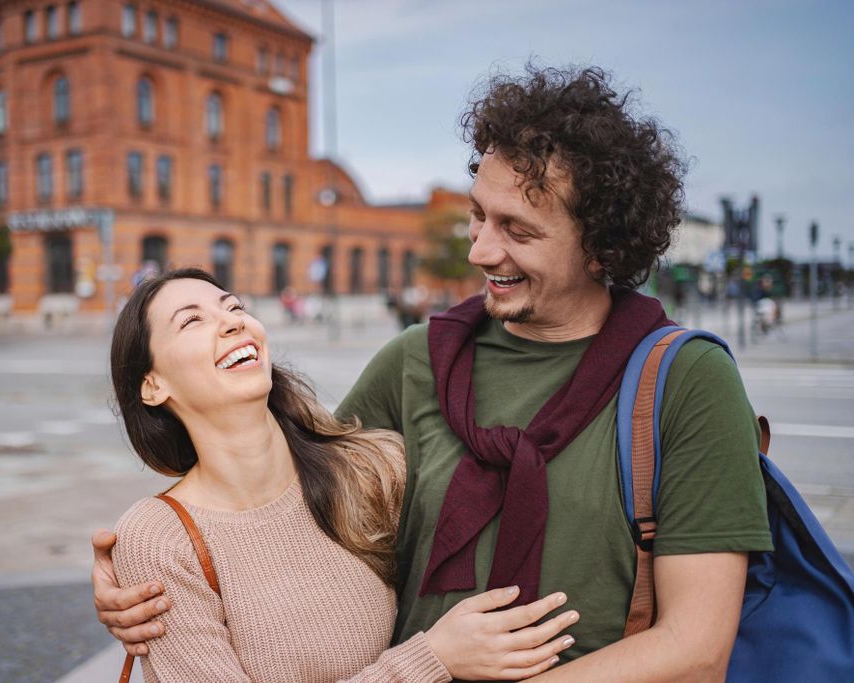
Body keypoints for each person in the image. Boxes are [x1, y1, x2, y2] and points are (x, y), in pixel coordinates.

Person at [94, 66, 773, 681]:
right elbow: (285, 511)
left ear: (602, 243)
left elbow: (695, 649)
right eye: (479, 214)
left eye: (518, 229)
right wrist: (150, 578)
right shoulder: (415, 360)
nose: (480, 248)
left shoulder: (686, 380)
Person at [104, 267, 578, 682]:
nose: (233, 321)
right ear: (152, 385)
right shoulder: (159, 540)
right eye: (192, 320)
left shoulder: (368, 470)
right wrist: (433, 658)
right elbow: (431, 653)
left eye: (235, 307)